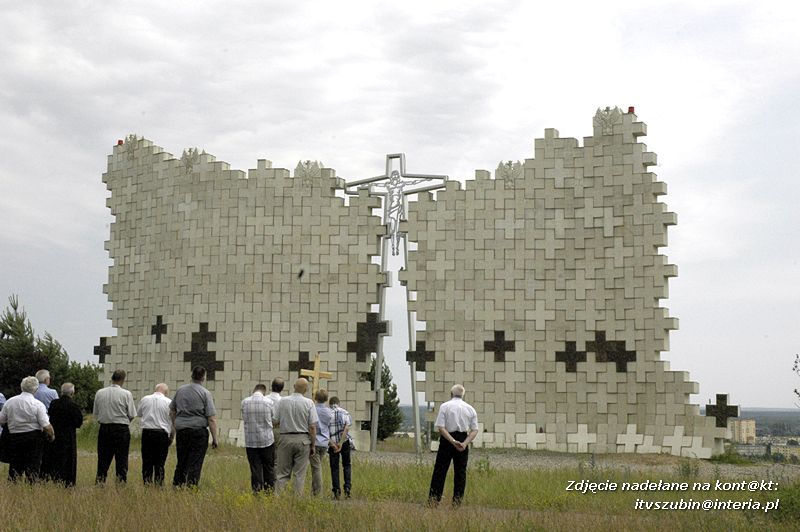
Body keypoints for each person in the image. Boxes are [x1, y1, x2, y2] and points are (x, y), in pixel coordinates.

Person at [428, 384, 479, 508]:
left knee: (440, 471)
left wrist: (452, 440)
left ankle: (434, 501)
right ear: (463, 395)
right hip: (463, 439)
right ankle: (457, 503)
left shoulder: (445, 406)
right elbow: (474, 430)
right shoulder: (470, 409)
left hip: (447, 440)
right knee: (460, 472)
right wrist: (465, 443)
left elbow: (441, 427)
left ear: (451, 394)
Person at [0, 376, 55, 482]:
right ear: (36, 389)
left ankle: (13, 486)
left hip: (15, 438)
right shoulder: (38, 405)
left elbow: (2, 420)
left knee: (15, 466)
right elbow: (46, 425)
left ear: (21, 387)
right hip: (33, 439)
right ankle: (31, 487)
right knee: (33, 466)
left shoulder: (10, 402)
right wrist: (52, 435)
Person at [171, 366, 218, 487]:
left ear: (191, 376)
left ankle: (177, 485)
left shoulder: (180, 390)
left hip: (182, 431)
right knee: (195, 462)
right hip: (198, 432)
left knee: (181, 460)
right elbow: (211, 418)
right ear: (203, 377)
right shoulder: (205, 393)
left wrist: (176, 425)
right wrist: (215, 438)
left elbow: (172, 410)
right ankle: (191, 487)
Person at [273, 378, 317, 495]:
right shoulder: (309, 403)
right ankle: (297, 499)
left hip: (285, 438)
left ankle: (278, 499)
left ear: (293, 386)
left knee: (282, 473)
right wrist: (313, 445)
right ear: (306, 389)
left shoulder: (282, 401)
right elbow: (312, 426)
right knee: (299, 475)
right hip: (303, 440)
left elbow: (275, 420)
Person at [93, 369, 137, 483]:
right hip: (121, 429)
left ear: (112, 378)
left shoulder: (100, 392)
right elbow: (132, 414)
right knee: (121, 459)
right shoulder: (126, 394)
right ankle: (121, 482)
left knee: (103, 459)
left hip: (104, 428)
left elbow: (96, 413)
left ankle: (100, 482)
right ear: (123, 379)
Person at [41, 382, 83, 486]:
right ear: (72, 393)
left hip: (55, 435)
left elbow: (50, 415)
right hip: (68, 436)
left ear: (61, 392)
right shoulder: (74, 406)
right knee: (69, 460)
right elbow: (79, 422)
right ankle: (67, 481)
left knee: (53, 457)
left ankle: (53, 477)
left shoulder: (54, 404)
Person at [241, 383, 275, 493]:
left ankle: (256, 491)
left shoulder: (244, 402)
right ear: (264, 392)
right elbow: (274, 419)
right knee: (268, 468)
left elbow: (244, 418)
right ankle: (269, 491)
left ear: (254, 390)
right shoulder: (269, 402)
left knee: (255, 468)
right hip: (267, 440)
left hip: (251, 441)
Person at [138, 383, 173, 486]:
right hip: (161, 434)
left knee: (147, 461)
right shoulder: (169, 402)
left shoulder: (145, 399)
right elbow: (171, 419)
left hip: (147, 433)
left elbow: (139, 413)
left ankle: (147, 483)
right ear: (166, 392)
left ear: (155, 389)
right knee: (160, 462)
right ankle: (159, 485)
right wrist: (171, 436)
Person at [327, 396, 354, 499]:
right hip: (345, 442)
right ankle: (347, 488)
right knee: (346, 465)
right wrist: (341, 443)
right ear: (338, 403)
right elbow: (346, 428)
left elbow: (324, 430)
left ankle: (336, 491)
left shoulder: (327, 413)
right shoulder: (345, 412)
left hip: (332, 443)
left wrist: (334, 444)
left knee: (334, 468)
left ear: (330, 403)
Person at [310, 389, 332, 496]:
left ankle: (317, 493)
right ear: (326, 399)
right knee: (317, 467)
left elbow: (311, 425)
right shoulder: (329, 412)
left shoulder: (312, 409)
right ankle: (314, 491)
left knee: (316, 468)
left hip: (315, 441)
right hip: (324, 442)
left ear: (315, 398)